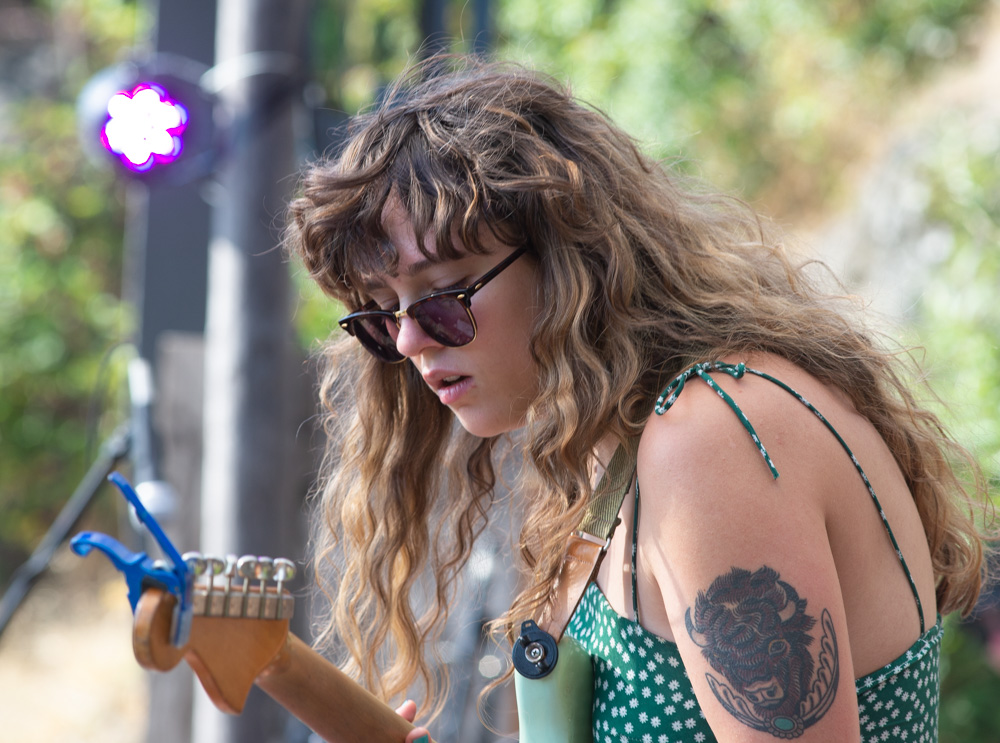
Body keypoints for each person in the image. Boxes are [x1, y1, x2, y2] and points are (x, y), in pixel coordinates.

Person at [286, 54, 991, 742]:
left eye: (444, 296)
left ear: (568, 261)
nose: (410, 342)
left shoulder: (711, 436)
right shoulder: (629, 444)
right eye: (381, 315)